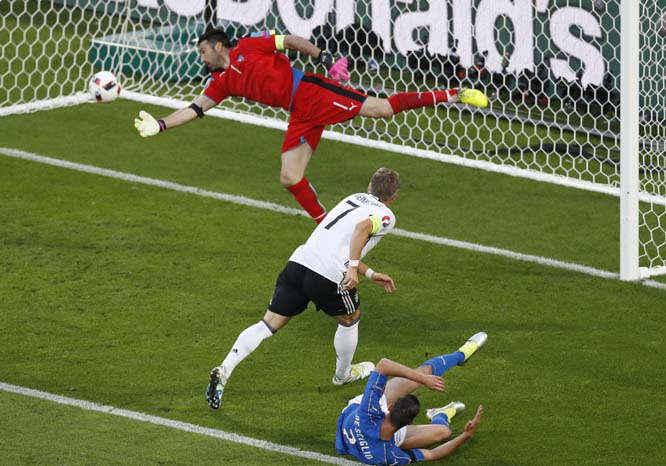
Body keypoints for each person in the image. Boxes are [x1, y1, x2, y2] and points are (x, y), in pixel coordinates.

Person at [134, 29, 488, 223]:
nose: (201, 57)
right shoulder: (222, 82)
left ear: (217, 45)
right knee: (290, 177)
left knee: (381, 110)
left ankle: (454, 94)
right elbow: (196, 109)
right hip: (299, 113)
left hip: (311, 92)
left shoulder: (248, 48)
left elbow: (288, 40)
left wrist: (325, 57)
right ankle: (325, 224)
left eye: (202, 51)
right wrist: (162, 124)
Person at [205, 167, 401, 409]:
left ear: (370, 186)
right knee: (351, 319)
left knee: (267, 324)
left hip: (300, 263)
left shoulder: (352, 198)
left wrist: (369, 273)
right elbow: (362, 229)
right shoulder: (386, 216)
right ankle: (343, 375)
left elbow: (338, 242)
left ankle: (225, 368)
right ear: (393, 198)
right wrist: (351, 268)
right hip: (329, 275)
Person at [335, 332, 487, 465]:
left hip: (353, 417)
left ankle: (461, 356)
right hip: (382, 433)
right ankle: (440, 415)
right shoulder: (390, 454)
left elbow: (383, 365)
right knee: (444, 432)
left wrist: (422, 379)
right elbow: (433, 454)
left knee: (421, 376)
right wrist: (466, 434)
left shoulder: (368, 410)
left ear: (389, 406)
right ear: (410, 423)